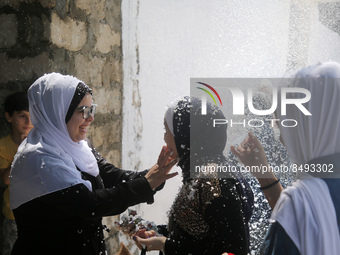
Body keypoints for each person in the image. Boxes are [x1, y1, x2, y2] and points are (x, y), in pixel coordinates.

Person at [9, 72, 178, 255]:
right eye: (83, 111)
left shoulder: (78, 146)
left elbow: (113, 176)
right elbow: (90, 205)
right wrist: (146, 183)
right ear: (59, 112)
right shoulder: (38, 158)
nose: (90, 118)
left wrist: (155, 174)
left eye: (91, 109)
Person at [232, 62, 340, 254]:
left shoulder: (303, 199)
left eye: (284, 121)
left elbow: (301, 220)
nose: (281, 137)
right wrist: (264, 175)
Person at [134, 96, 254, 255]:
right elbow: (199, 232)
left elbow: (232, 250)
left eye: (167, 130)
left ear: (185, 134)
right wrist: (158, 233)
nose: (164, 138)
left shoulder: (214, 180)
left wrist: (166, 245)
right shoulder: (201, 173)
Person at [0, 91, 33, 255]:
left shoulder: (41, 142)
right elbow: (6, 180)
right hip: (14, 214)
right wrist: (22, 150)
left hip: (38, 211)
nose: (28, 121)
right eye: (22, 116)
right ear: (8, 117)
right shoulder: (3, 145)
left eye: (31, 115)